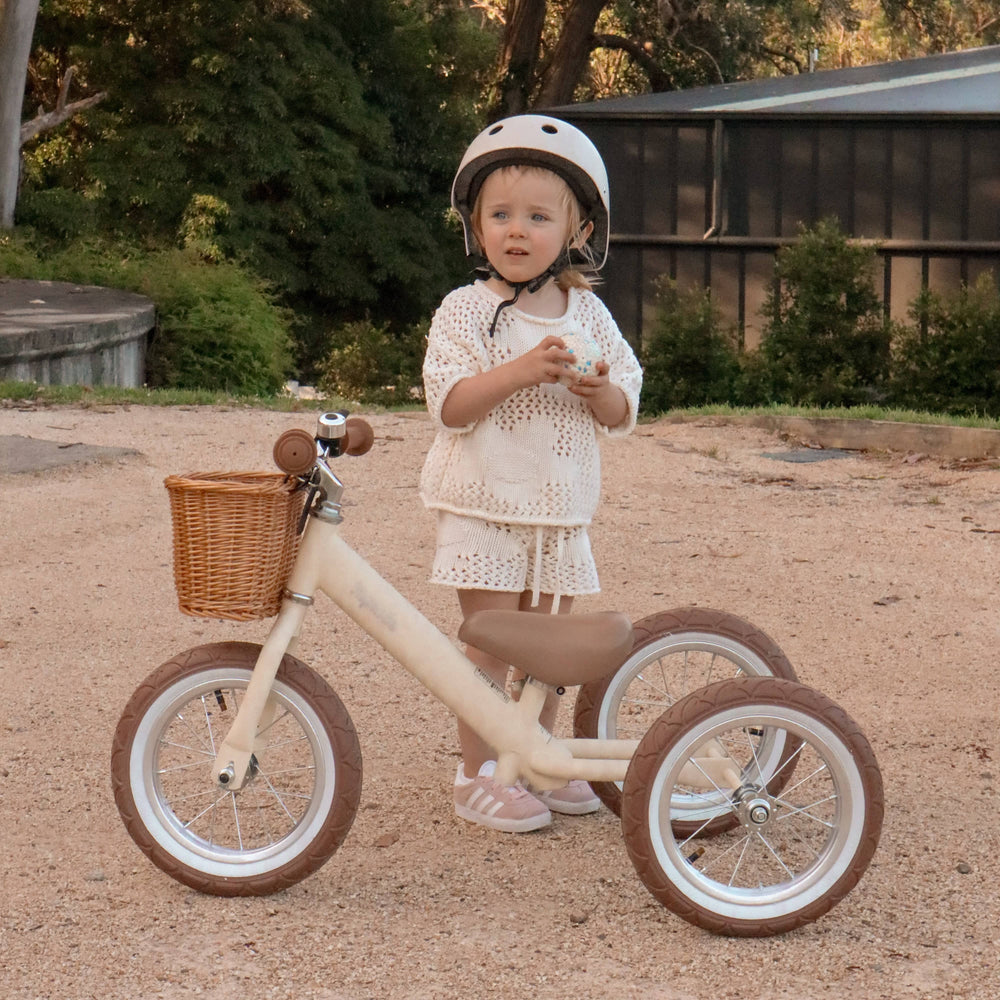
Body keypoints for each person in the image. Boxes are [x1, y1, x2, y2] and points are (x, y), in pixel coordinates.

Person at [420, 114, 642, 832]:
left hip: (558, 511)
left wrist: (599, 391)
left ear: (578, 230)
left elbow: (624, 404)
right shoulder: (464, 311)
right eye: (501, 215)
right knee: (489, 644)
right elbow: (450, 405)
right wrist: (518, 370)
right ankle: (477, 774)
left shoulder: (590, 316)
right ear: (476, 227)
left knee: (548, 653)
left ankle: (535, 757)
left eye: (539, 217)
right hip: (485, 505)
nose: (517, 231)